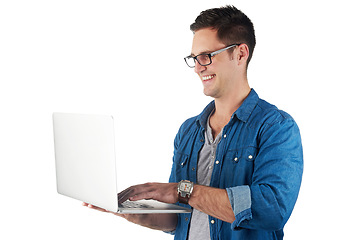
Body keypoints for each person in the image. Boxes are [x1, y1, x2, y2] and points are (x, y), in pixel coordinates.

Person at [83, 5, 303, 240]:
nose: (198, 67)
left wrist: (181, 190)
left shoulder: (276, 127)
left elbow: (271, 210)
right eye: (194, 58)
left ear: (240, 54)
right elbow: (179, 218)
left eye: (206, 56)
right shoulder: (189, 131)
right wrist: (127, 210)